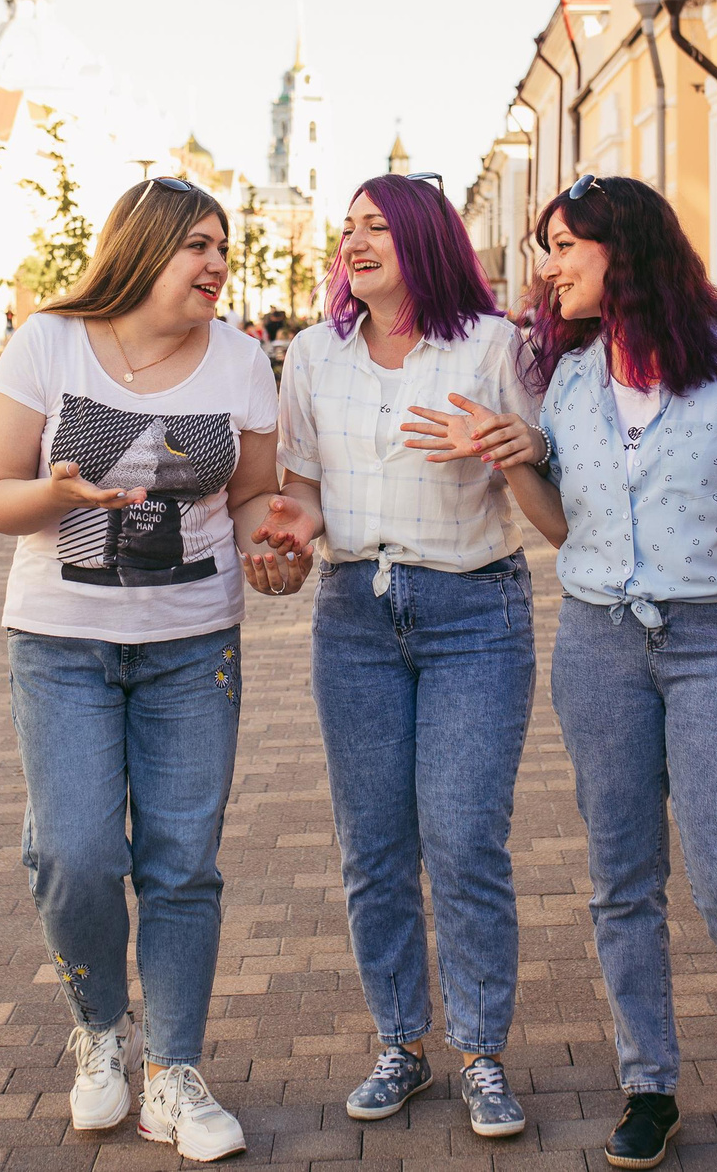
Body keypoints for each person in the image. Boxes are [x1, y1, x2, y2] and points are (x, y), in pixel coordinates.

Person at [426, 174, 717, 1172]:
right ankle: (648, 1085)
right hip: (599, 646)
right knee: (621, 880)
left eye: (565, 246)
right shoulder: (570, 377)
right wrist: (511, 458)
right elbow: (567, 532)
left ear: (622, 248)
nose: (549, 267)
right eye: (546, 248)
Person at [0, 176, 310, 1162]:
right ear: (144, 247)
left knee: (182, 860)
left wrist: (270, 549)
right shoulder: (50, 343)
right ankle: (98, 1028)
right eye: (198, 244)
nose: (217, 263)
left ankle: (172, 1072)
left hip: (193, 644)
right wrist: (57, 493)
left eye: (223, 247)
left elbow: (251, 497)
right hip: (61, 642)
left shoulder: (240, 360)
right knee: (74, 853)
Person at [250, 175, 538, 1136]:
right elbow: (304, 487)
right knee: (373, 846)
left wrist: (506, 447)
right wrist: (294, 529)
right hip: (355, 618)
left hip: (474, 612)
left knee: (463, 838)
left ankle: (483, 1053)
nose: (356, 240)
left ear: (423, 237)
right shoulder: (312, 355)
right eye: (348, 228)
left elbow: (543, 469)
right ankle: (402, 1044)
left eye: (376, 224)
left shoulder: (491, 345)